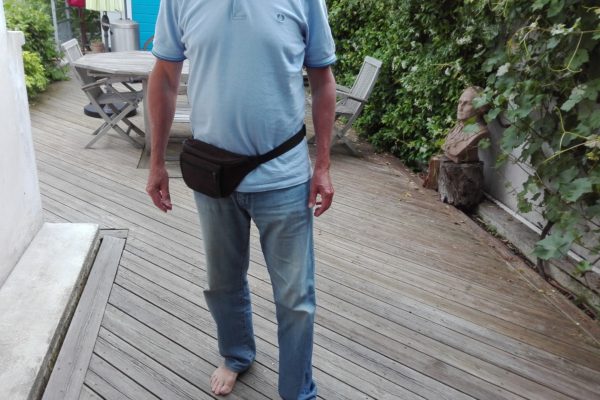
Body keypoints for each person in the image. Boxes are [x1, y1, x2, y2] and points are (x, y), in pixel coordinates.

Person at [145, 2, 337, 399]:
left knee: (296, 298)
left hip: (284, 176)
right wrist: (156, 162)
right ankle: (236, 354)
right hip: (213, 175)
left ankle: (297, 392)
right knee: (222, 283)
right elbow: (164, 77)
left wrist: (322, 165)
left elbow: (322, 80)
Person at [442, 86, 489, 163]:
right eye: (460, 102)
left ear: (479, 108)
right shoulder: (456, 129)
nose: (460, 107)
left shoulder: (480, 131)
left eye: (466, 103)